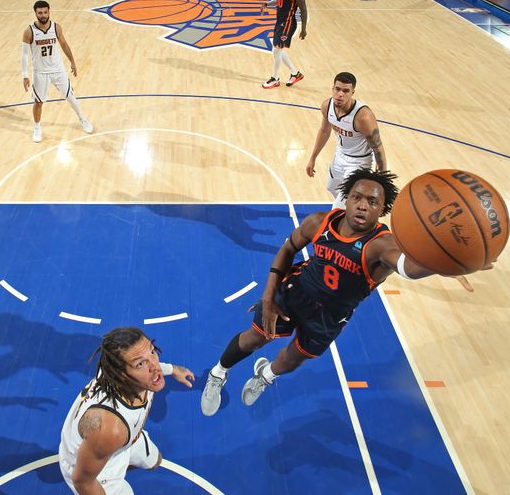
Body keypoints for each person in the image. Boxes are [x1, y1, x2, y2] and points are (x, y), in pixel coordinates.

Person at [200, 169, 488, 416]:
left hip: (329, 317)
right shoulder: (319, 222)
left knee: (293, 359)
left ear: (382, 209)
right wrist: (268, 296)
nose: (363, 206)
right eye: (357, 197)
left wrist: (445, 261)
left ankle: (266, 375)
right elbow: (289, 248)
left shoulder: (381, 246)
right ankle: (218, 373)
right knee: (255, 337)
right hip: (295, 292)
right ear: (346, 199)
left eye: (372, 202)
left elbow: (409, 268)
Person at [59, 327, 195, 494]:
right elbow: (82, 482)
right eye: (140, 364)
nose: (155, 367)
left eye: (152, 352)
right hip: (95, 474)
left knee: (155, 461)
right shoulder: (110, 428)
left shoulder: (124, 371)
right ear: (121, 374)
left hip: (117, 441)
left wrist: (173, 369)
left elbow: (151, 364)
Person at [305, 72, 386, 209]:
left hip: (359, 163)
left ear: (352, 92)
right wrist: (312, 158)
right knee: (331, 187)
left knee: (337, 208)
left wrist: (381, 181)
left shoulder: (363, 117)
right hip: (340, 156)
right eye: (337, 89)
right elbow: (324, 131)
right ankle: (356, 215)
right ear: (332, 89)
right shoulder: (327, 106)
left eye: (346, 91)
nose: (340, 94)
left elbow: (378, 149)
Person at [22, 0, 93, 143]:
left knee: (70, 96)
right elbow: (24, 54)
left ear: (49, 12)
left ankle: (83, 119)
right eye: (40, 13)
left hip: (58, 70)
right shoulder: (29, 31)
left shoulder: (56, 28)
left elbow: (64, 44)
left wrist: (72, 61)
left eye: (45, 12)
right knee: (38, 102)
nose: (43, 15)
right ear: (35, 13)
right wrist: (25, 75)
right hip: (40, 72)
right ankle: (37, 127)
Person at [259, 0, 308, 89]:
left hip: (288, 23)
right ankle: (295, 73)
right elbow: (279, 0)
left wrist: (303, 29)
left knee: (277, 50)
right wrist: (267, 4)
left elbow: (304, 9)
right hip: (280, 21)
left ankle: (275, 79)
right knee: (277, 50)